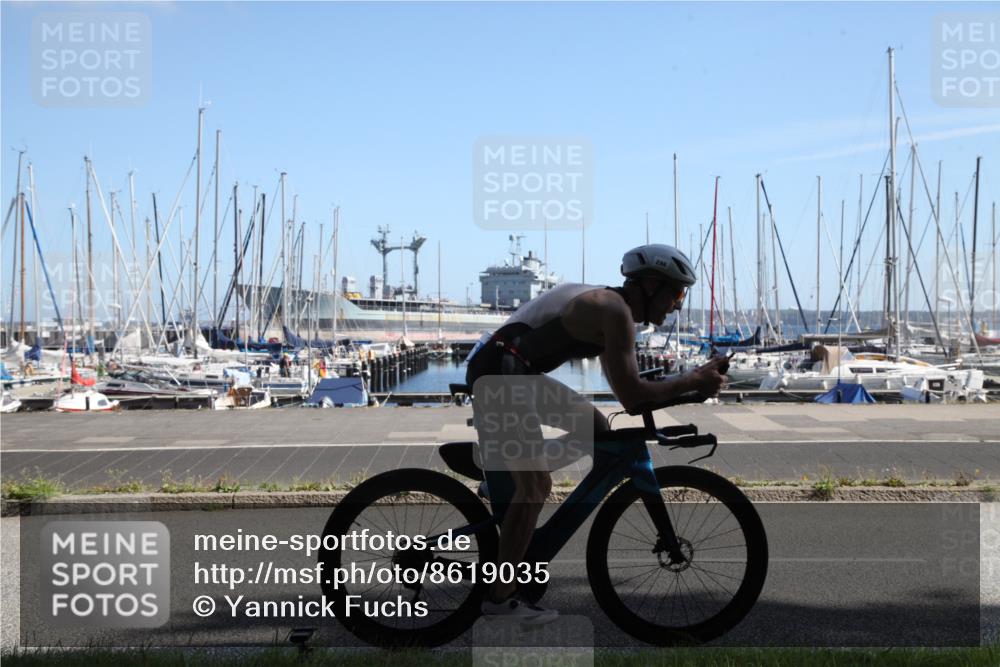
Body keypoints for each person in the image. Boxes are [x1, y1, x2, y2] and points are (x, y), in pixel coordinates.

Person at [466, 244, 728, 624]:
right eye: (677, 293)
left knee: (599, 431)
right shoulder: (613, 311)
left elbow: (631, 394)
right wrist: (691, 380)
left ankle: (505, 479)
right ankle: (500, 599)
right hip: (500, 376)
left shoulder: (613, 310)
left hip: (514, 371)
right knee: (537, 486)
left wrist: (692, 386)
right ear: (652, 285)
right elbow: (635, 396)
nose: (678, 305)